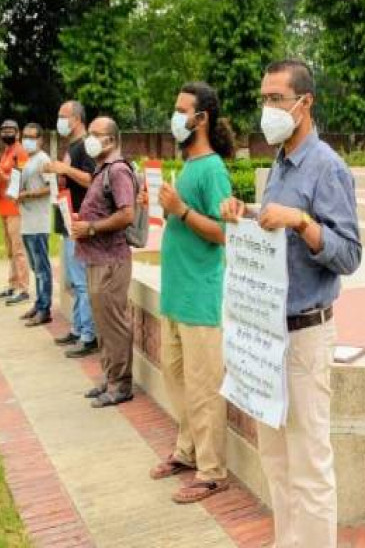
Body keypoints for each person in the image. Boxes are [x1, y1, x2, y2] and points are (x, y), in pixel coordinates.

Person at [220, 59, 362, 548]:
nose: (268, 109)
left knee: (310, 466)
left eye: (277, 99)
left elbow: (349, 254)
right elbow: (273, 226)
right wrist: (247, 213)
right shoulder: (280, 163)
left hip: (306, 334)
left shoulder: (328, 168)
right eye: (263, 99)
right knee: (275, 463)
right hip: (268, 335)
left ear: (305, 103)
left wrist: (302, 222)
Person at [148, 82, 234, 504]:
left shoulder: (213, 169)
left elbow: (224, 233)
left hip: (201, 298)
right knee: (177, 381)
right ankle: (187, 451)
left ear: (201, 119)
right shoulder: (187, 166)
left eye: (182, 110)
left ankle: (212, 471)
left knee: (203, 388)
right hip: (175, 296)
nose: (174, 116)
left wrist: (180, 210)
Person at [70, 117, 136, 408]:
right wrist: (83, 222)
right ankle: (110, 376)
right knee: (103, 323)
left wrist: (92, 228)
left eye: (96, 135)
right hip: (97, 259)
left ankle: (121, 384)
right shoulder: (102, 170)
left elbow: (126, 214)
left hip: (111, 260)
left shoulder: (118, 171)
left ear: (110, 140)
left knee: (114, 323)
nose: (90, 140)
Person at [45, 101, 98, 357]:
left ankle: (88, 335)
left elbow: (91, 180)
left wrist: (65, 169)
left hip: (80, 219)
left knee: (82, 282)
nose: (59, 121)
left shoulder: (86, 147)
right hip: (68, 220)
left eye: (62, 116)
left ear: (76, 119)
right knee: (75, 282)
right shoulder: (73, 146)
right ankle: (78, 329)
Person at [16, 123, 53, 327]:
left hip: (39, 222)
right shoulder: (28, 160)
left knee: (42, 268)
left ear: (40, 139)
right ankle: (38, 304)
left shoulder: (43, 160)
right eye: (25, 137)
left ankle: (44, 309)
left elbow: (51, 188)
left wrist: (27, 194)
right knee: (34, 266)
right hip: (27, 221)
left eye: (32, 137)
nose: (27, 141)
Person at [0, 119, 30, 306]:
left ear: (18, 132)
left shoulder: (20, 152)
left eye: (10, 130)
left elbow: (22, 179)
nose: (6, 133)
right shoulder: (6, 152)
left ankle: (23, 287)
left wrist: (3, 176)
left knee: (18, 248)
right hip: (3, 206)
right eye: (3, 129)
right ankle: (13, 283)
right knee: (10, 249)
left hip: (14, 207)